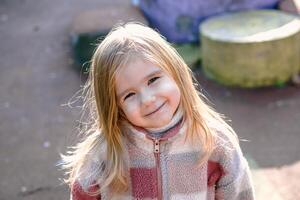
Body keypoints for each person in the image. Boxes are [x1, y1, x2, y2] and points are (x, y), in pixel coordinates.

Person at [61, 22, 255, 200]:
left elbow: (239, 195)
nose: (148, 99)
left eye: (153, 80)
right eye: (129, 95)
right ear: (114, 106)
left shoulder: (215, 142)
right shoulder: (105, 152)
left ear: (176, 73)